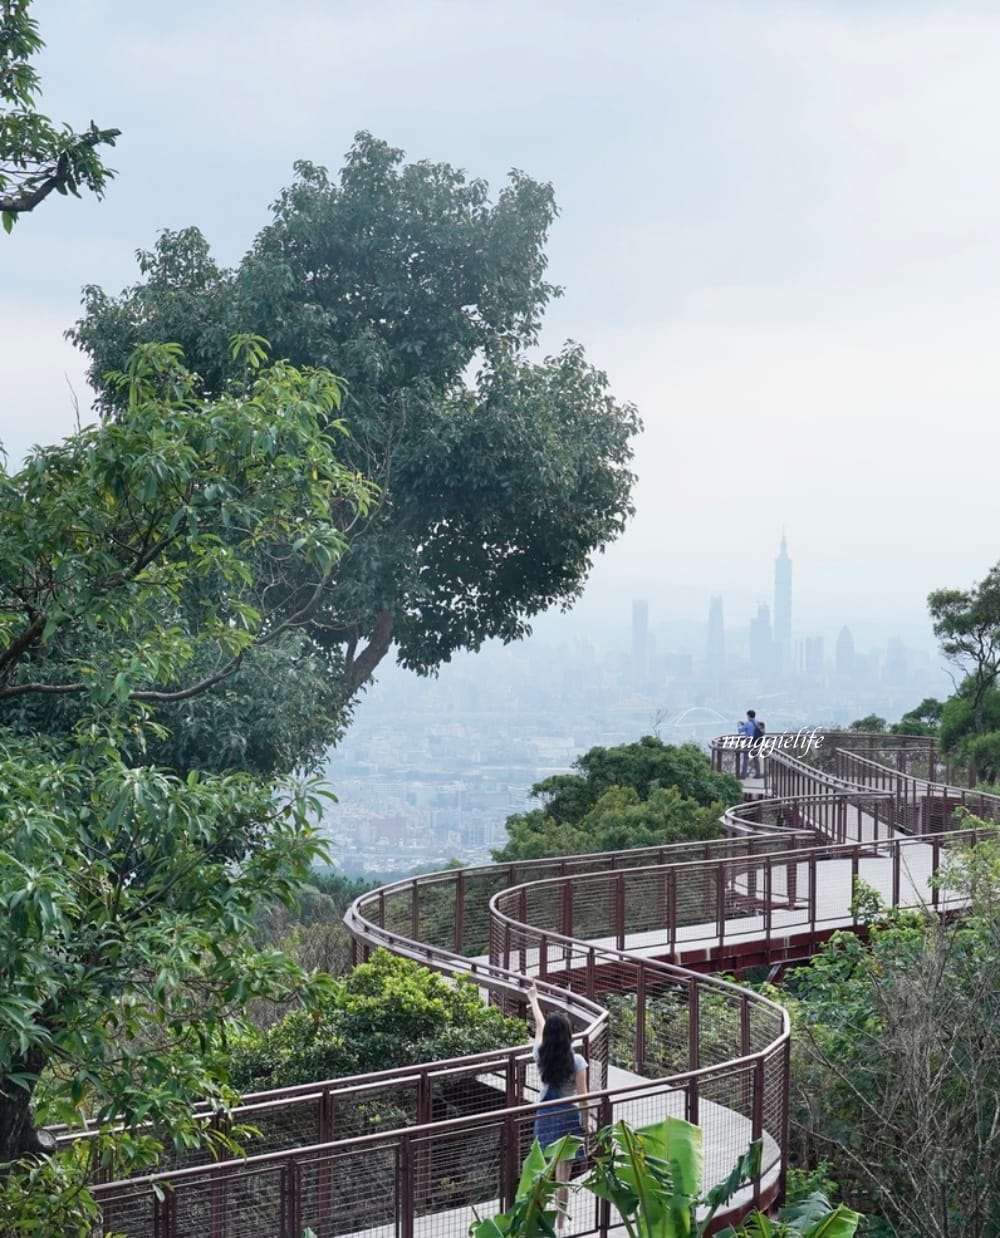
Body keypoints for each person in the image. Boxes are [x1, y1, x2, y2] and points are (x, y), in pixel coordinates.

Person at [527, 982, 590, 1229]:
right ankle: (561, 1225)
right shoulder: (577, 1061)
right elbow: (583, 1096)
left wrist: (534, 999)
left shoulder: (540, 1054)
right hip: (567, 1118)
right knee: (563, 1176)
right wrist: (585, 1124)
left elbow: (540, 1028)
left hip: (544, 1116)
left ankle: (538, 1220)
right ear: (568, 1035)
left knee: (544, 1172)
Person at [740, 709, 763, 779]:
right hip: (757, 741)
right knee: (756, 758)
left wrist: (739, 725)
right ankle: (758, 774)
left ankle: (743, 775)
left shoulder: (747, 723)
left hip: (749, 741)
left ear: (748, 716)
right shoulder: (757, 723)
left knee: (746, 758)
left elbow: (740, 730)